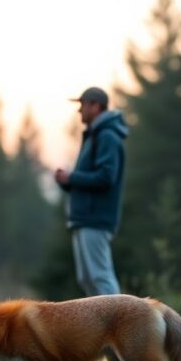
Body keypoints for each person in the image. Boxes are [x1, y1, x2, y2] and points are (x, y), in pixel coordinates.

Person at [54, 87, 129, 296]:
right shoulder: (95, 136)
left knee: (100, 277)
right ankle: (100, 327)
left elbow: (106, 177)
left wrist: (72, 177)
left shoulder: (107, 137)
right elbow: (92, 178)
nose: (79, 111)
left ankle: (118, 322)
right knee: (87, 278)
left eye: (83, 105)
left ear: (96, 106)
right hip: (85, 218)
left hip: (96, 218)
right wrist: (67, 181)